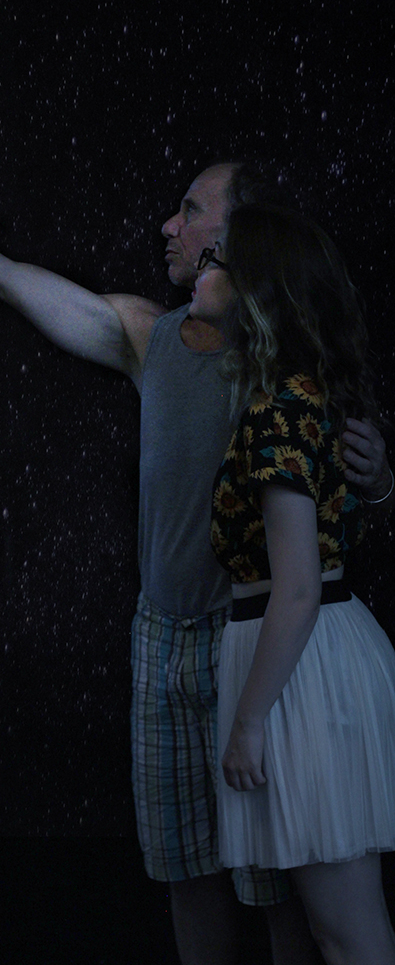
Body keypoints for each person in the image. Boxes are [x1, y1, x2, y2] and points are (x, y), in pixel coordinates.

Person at [0, 117, 392, 965]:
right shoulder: (147, 337)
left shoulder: (284, 373)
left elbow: (334, 520)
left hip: (251, 641)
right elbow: (0, 274)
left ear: (242, 240)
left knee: (279, 885)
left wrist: (381, 479)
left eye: (192, 210)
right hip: (164, 639)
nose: (168, 225)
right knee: (187, 873)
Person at [195, 204, 395, 963]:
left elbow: (299, 588)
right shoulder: (296, 397)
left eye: (218, 259)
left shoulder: (277, 412)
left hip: (301, 670)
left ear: (258, 293)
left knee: (346, 932)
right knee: (340, 928)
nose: (201, 269)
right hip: (309, 662)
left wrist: (249, 721)